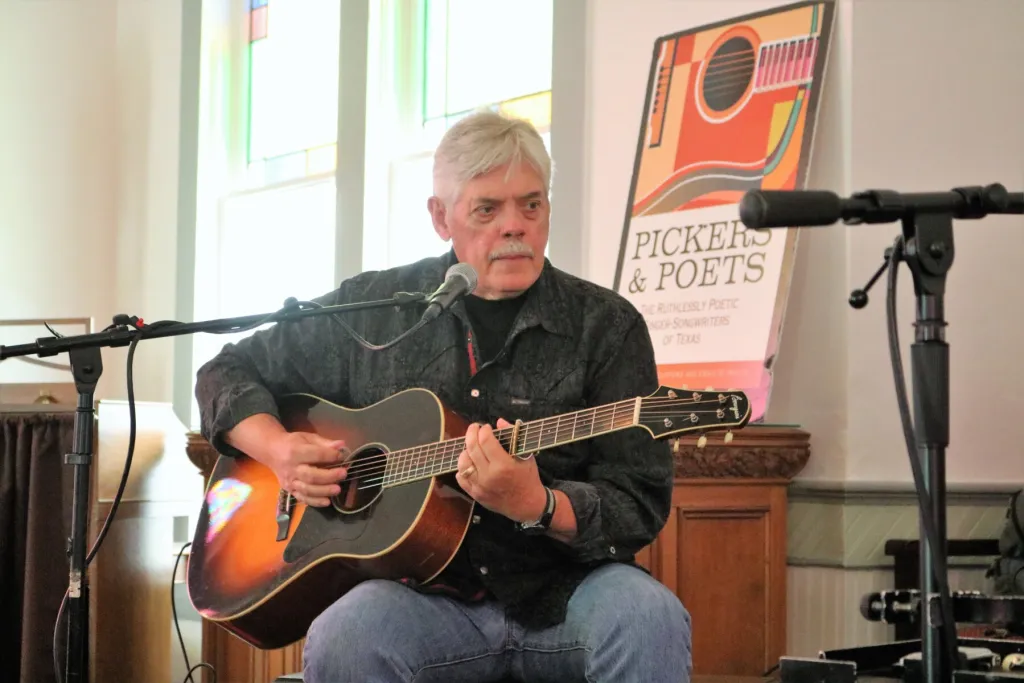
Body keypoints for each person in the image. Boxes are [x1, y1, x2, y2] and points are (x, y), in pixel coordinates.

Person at [195, 110, 692, 682]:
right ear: (440, 217)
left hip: (569, 595)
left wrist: (539, 505)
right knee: (348, 631)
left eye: (532, 205)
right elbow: (226, 369)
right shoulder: (378, 309)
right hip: (422, 601)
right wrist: (281, 451)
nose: (515, 226)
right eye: (488, 208)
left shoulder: (606, 326)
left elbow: (640, 502)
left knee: (649, 615)